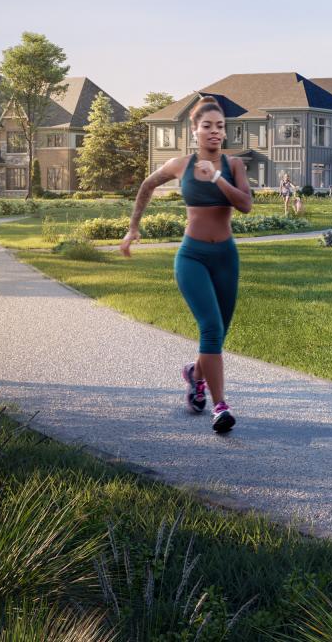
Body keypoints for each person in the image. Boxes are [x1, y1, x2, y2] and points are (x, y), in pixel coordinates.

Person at [122, 100, 254, 434]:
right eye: (207, 125)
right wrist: (133, 227)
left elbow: (245, 205)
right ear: (194, 130)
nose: (215, 131)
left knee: (219, 333)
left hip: (226, 258)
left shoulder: (234, 164)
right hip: (192, 256)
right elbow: (147, 186)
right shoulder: (179, 164)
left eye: (220, 126)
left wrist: (217, 177)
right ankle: (220, 407)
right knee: (210, 328)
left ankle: (195, 375)